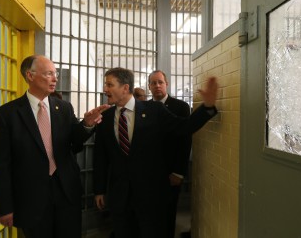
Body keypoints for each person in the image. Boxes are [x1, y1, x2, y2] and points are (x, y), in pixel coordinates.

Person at [0, 55, 110, 238]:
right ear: (30, 76)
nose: (55, 79)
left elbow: (73, 144)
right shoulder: (6, 115)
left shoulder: (64, 108)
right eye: (49, 74)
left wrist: (87, 124)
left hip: (66, 194)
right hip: (30, 199)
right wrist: (3, 207)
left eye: (56, 74)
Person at [93, 67, 218, 238]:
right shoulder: (104, 118)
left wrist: (207, 107)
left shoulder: (154, 110)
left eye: (109, 84)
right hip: (120, 197)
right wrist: (99, 189)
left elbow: (183, 127)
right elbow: (101, 156)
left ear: (125, 87)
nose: (105, 89)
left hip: (151, 196)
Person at [148, 70, 192, 238]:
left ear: (167, 84)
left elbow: (185, 141)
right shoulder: (145, 107)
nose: (157, 85)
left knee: (168, 212)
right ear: (149, 87)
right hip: (149, 172)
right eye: (153, 83)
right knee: (150, 214)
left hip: (171, 172)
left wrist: (179, 171)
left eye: (160, 82)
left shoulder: (180, 107)